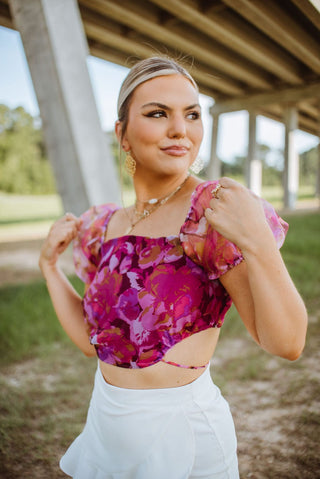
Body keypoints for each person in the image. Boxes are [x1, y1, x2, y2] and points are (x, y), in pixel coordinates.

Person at [39, 56, 308, 479]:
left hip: (183, 439)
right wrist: (49, 267)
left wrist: (258, 242)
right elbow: (98, 344)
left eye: (193, 114)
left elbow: (288, 342)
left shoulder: (212, 213)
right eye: (157, 113)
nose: (180, 129)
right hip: (105, 428)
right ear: (122, 134)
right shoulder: (103, 225)